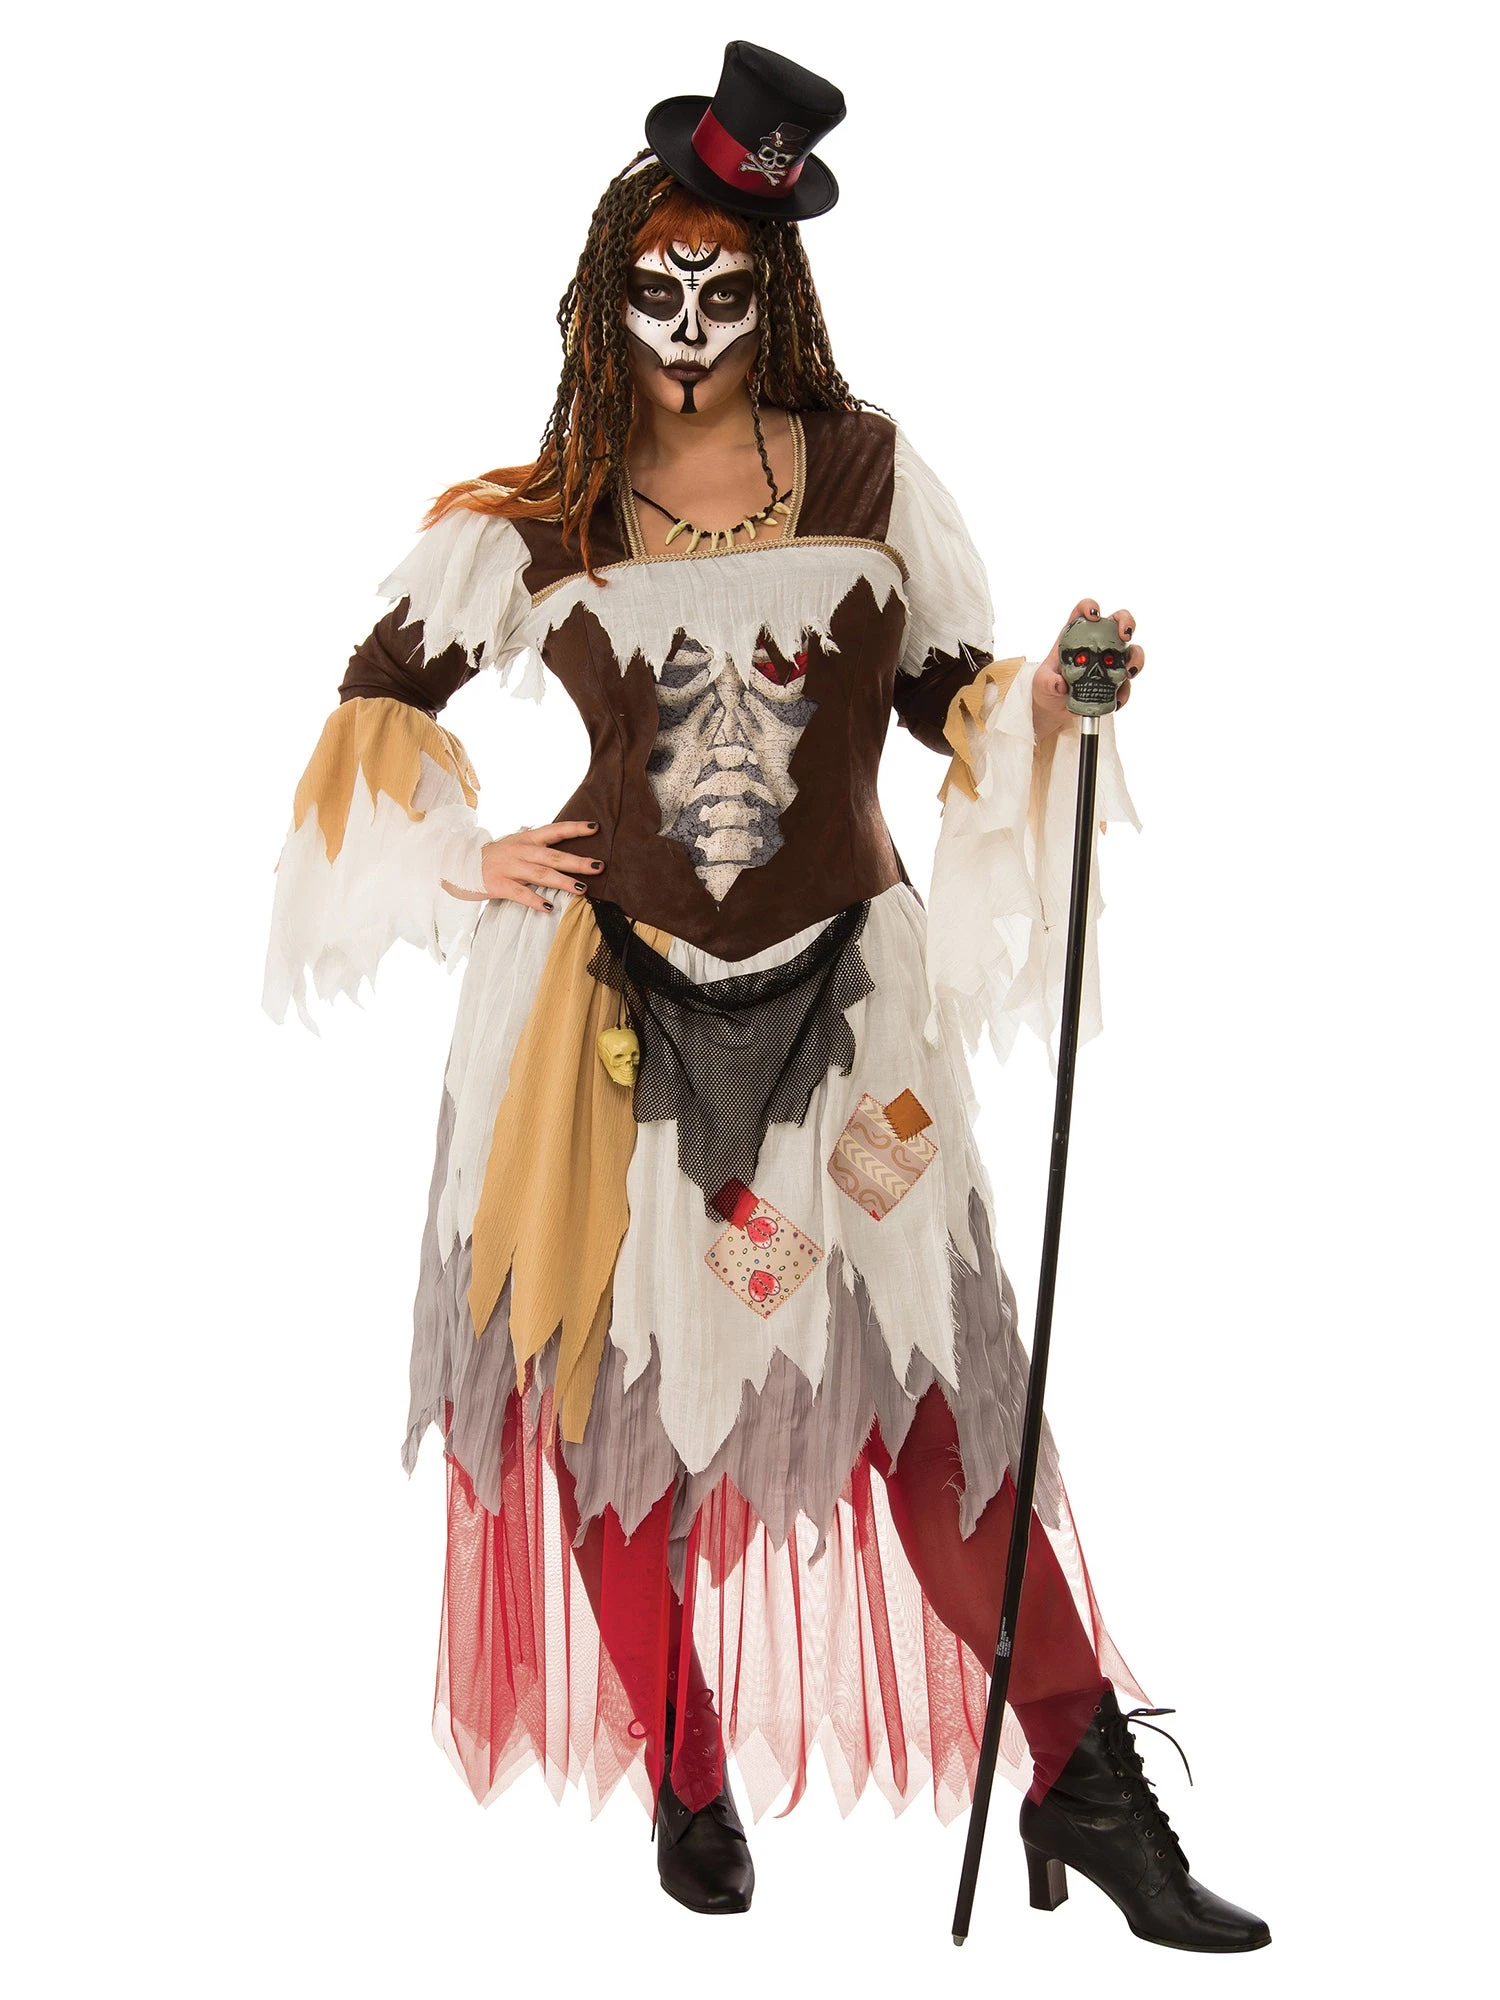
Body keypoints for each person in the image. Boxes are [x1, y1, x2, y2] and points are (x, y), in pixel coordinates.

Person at [262, 40, 1269, 1953]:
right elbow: (380, 698)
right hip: (606, 1049)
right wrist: (462, 851)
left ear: (777, 281)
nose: (691, 323)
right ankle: (685, 1760)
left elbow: (951, 695)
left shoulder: (867, 472)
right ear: (606, 290)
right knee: (615, 1407)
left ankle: (1084, 1780)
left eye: (725, 283)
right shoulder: (543, 511)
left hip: (852, 1048)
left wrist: (1055, 698)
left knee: (932, 1403)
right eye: (659, 284)